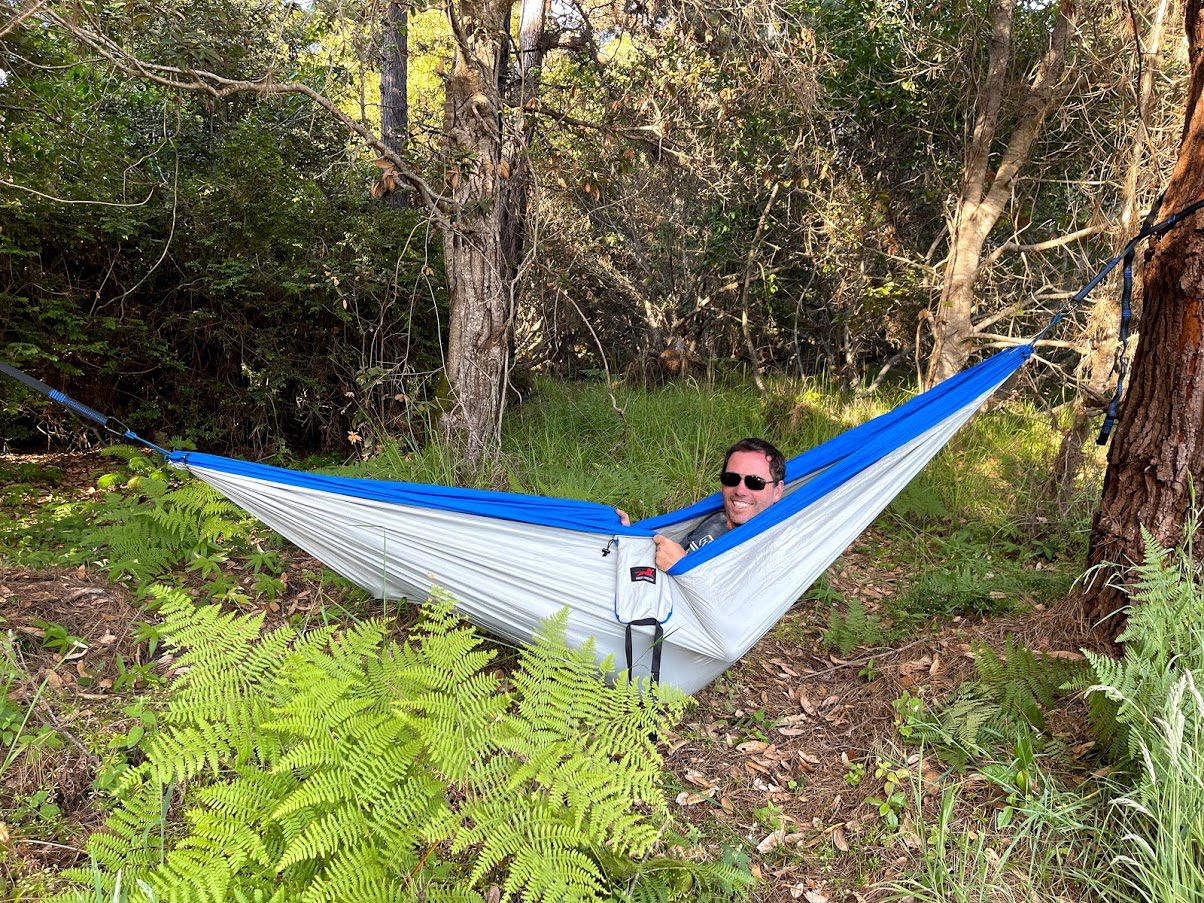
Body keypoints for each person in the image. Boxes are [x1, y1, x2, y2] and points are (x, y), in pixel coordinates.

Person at [616, 437, 786, 571]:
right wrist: (633, 539)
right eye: (731, 479)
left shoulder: (772, 550)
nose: (740, 490)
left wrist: (683, 567)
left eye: (755, 482)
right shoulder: (716, 518)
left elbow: (737, 610)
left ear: (777, 491)